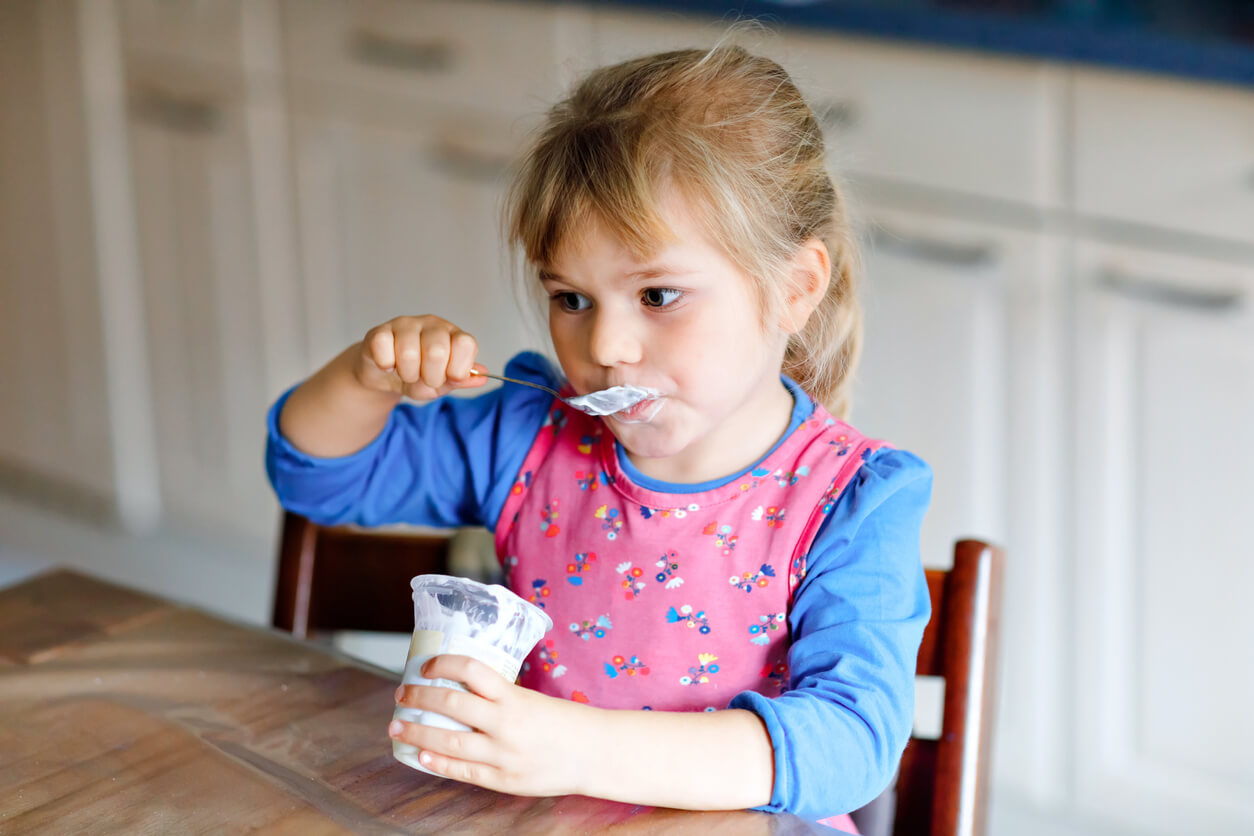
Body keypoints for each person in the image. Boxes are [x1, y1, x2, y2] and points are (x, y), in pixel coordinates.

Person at [266, 42, 931, 830]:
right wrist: (363, 379)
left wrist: (575, 748)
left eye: (657, 294)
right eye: (572, 299)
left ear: (794, 290)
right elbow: (319, 478)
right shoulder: (528, 436)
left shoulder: (850, 503)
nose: (605, 346)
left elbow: (851, 743)